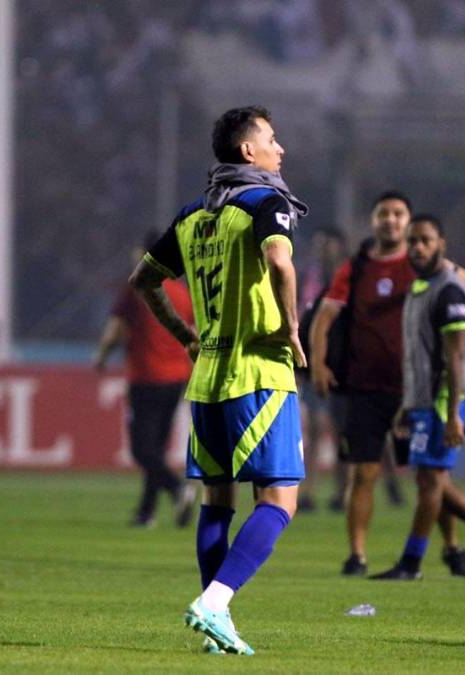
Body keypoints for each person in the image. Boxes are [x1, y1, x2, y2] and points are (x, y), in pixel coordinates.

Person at [128, 105, 308, 656]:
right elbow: (280, 263)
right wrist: (292, 329)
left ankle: (216, 622)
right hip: (259, 371)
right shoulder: (265, 203)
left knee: (218, 501)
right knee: (279, 500)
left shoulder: (194, 214)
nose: (280, 149)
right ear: (248, 151)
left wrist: (185, 335)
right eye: (272, 139)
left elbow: (143, 280)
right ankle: (215, 602)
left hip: (207, 378)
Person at [369, 214, 465, 582]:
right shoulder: (420, 287)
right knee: (431, 481)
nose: (418, 247)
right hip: (423, 400)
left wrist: (454, 413)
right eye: (413, 241)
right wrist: (408, 404)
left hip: (443, 401)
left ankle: (411, 564)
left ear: (442, 244)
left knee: (430, 483)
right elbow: (419, 353)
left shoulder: (450, 291)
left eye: (426, 240)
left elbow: (456, 356)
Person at [308, 190, 416, 577]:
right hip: (364, 388)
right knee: (363, 473)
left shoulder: (423, 266)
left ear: (408, 221)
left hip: (413, 390)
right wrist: (318, 364)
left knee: (432, 477)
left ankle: (450, 547)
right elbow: (323, 318)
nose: (390, 220)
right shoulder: (355, 269)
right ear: (373, 221)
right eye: (383, 213)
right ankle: (357, 555)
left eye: (398, 213)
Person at [94, 234, 196, 528]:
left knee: (142, 450)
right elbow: (192, 332)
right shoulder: (182, 292)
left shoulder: (137, 287)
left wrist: (102, 356)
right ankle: (146, 512)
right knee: (157, 448)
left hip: (147, 376)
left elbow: (116, 329)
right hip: (176, 379)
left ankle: (177, 489)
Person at [295, 225, 347, 513]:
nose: (323, 250)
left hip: (344, 367)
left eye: (328, 244)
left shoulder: (349, 279)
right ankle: (308, 493)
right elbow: (300, 320)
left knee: (342, 434)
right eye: (320, 245)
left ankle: (342, 492)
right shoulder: (307, 278)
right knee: (314, 430)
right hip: (315, 364)